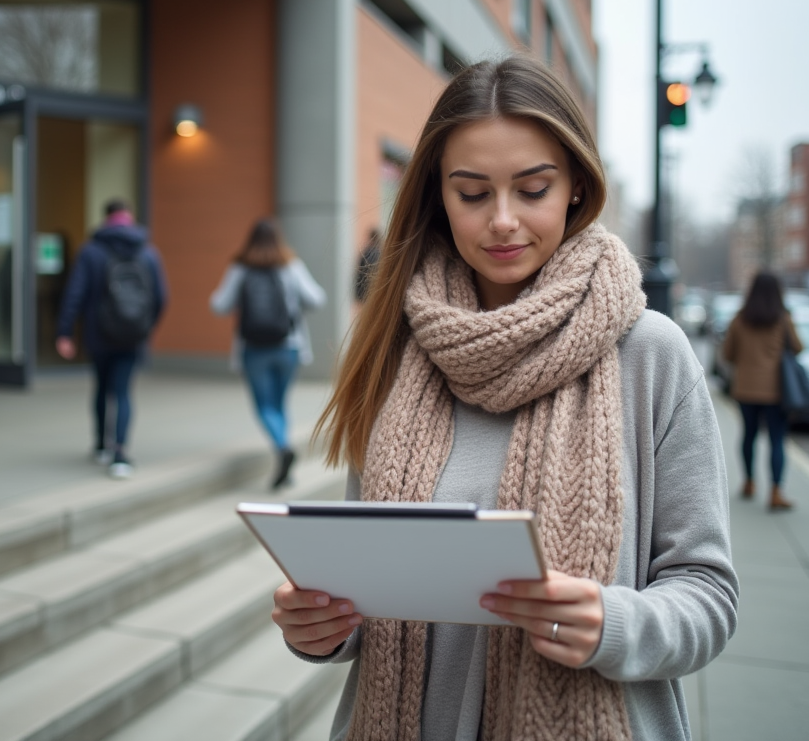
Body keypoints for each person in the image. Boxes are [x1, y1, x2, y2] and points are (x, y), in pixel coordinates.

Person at [270, 56, 738, 741]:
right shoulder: (397, 351)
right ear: (437, 195)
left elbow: (709, 597)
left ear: (576, 185)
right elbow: (370, 589)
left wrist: (614, 624)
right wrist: (323, 628)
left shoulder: (650, 353)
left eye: (533, 188)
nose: (503, 221)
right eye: (472, 193)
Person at [56, 199, 168, 478]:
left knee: (102, 388)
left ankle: (100, 445)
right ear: (129, 218)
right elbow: (161, 298)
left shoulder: (91, 251)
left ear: (106, 219)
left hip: (99, 334)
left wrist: (65, 331)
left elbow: (75, 293)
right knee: (123, 392)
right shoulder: (148, 252)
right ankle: (120, 454)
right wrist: (145, 327)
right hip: (133, 336)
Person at [211, 219, 326, 489]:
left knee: (265, 406)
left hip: (254, 349)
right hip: (288, 346)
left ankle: (282, 447)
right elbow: (317, 298)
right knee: (279, 403)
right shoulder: (290, 265)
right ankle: (284, 456)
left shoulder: (240, 267)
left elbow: (219, 305)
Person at [721, 271, 803, 510]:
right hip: (776, 391)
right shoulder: (783, 319)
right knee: (777, 439)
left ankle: (748, 482)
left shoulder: (740, 319)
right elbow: (798, 347)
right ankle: (776, 492)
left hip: (745, 389)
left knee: (749, 435)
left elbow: (728, 354)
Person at [353, 228, 381, 303]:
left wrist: (358, 292)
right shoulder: (379, 254)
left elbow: (359, 272)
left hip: (365, 290)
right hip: (373, 290)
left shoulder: (366, 253)